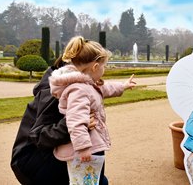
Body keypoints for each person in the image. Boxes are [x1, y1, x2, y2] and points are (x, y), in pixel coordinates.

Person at [48, 36, 136, 185]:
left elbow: (105, 88)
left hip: (89, 145)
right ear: (95, 67)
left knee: (94, 180)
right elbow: (75, 120)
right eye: (104, 66)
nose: (104, 70)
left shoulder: (86, 84)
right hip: (86, 148)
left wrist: (123, 85)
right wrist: (83, 148)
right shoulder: (79, 89)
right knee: (90, 181)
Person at [10, 56, 97, 185]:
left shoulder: (68, 88)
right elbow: (38, 136)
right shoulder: (54, 95)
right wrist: (73, 123)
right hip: (32, 163)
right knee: (97, 180)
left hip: (38, 159)